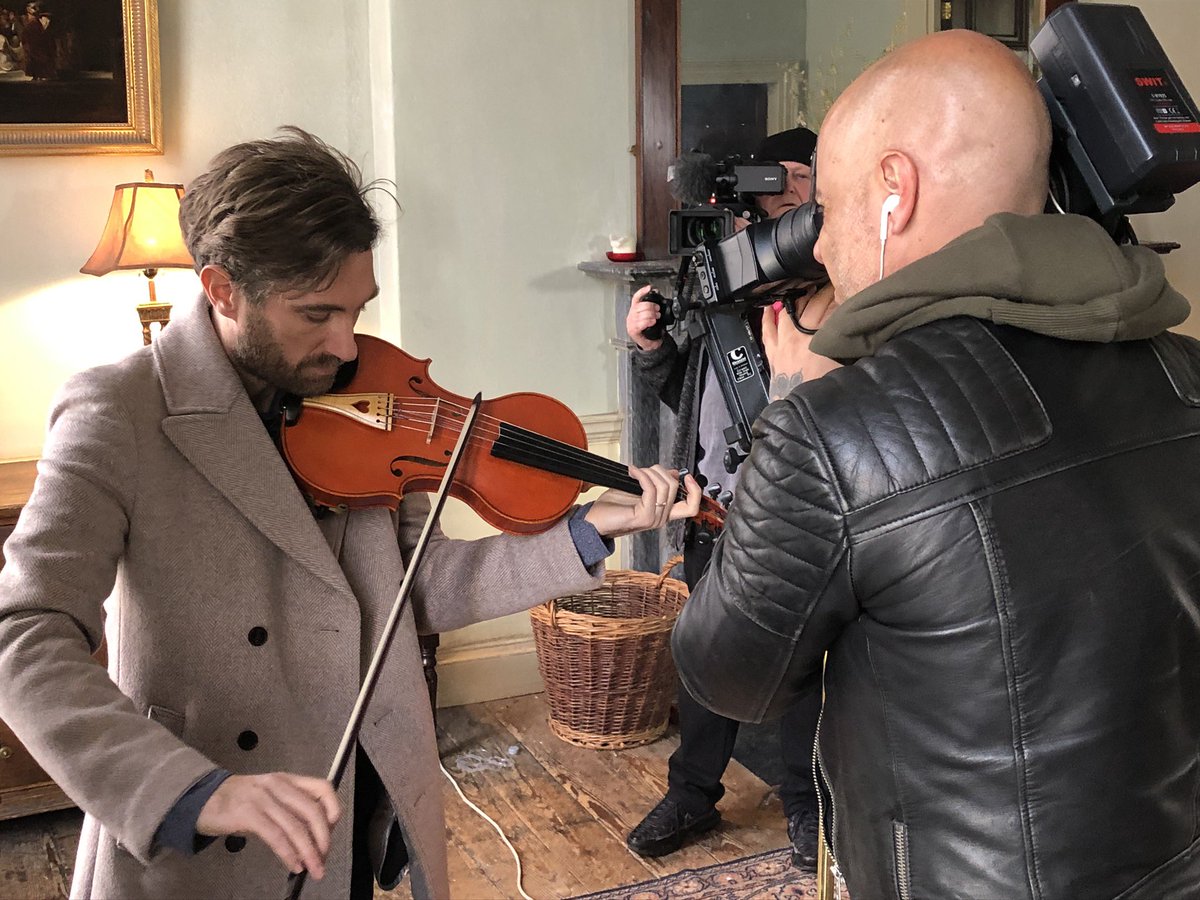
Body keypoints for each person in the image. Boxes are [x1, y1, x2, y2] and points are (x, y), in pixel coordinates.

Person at [0, 127, 701, 900]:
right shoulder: (119, 411)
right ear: (223, 288)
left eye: (358, 309)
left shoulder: (368, 395)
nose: (345, 344)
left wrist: (587, 528)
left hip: (350, 807)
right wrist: (192, 789)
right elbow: (23, 636)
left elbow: (412, 589)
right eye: (315, 314)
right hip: (204, 828)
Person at [672, 28, 1200, 900]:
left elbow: (728, 672)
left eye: (830, 214)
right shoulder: (1184, 374)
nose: (826, 252)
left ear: (895, 190)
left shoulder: (835, 432)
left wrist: (788, 413)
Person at [623, 127, 825, 870]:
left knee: (805, 668)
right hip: (714, 516)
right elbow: (700, 401)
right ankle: (693, 792)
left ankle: (806, 804)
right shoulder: (726, 288)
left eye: (792, 180)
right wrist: (654, 353)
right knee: (706, 657)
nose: (775, 198)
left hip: (795, 518)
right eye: (764, 185)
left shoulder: (826, 294)